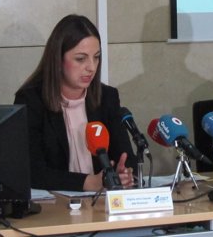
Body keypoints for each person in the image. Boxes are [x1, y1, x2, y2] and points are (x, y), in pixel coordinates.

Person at [14, 14, 136, 191]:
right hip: (54, 209)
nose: (91, 67)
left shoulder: (107, 97)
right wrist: (88, 182)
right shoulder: (31, 101)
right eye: (81, 59)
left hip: (101, 206)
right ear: (58, 59)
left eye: (96, 57)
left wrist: (124, 174)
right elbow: (32, 171)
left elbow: (125, 157)